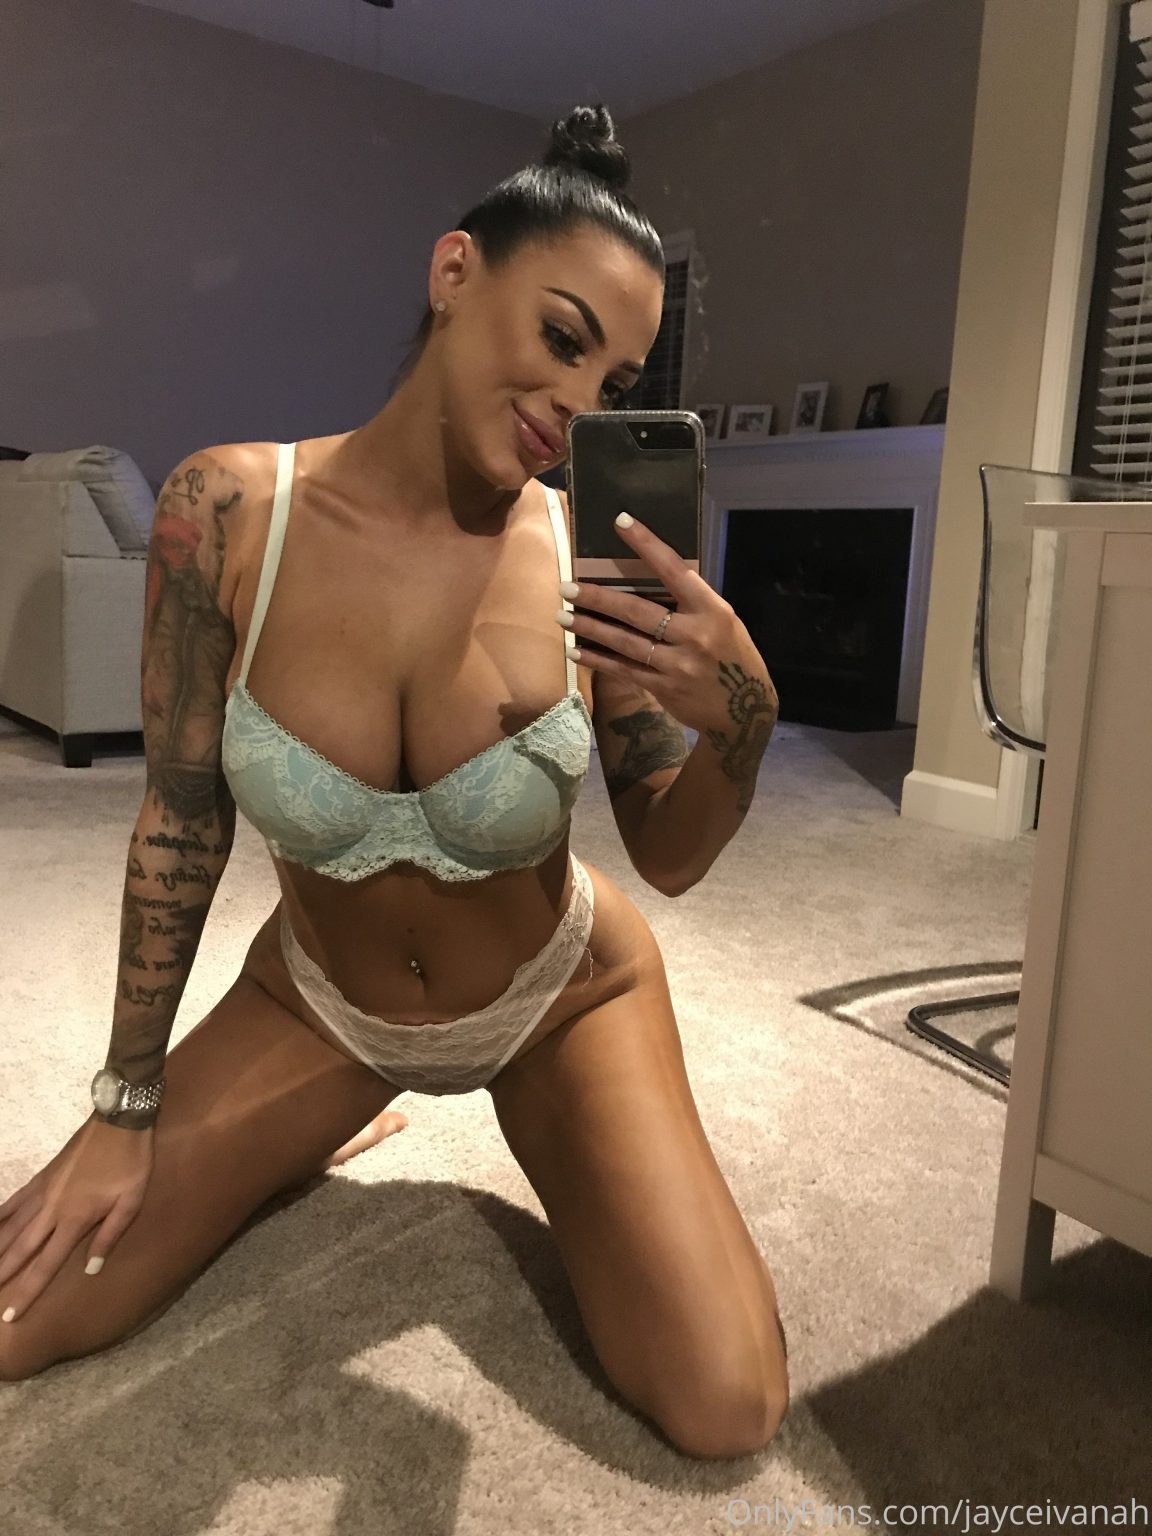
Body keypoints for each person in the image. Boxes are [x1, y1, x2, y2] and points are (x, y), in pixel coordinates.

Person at [0, 104, 787, 1458]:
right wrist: (125, 1105)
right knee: (17, 1319)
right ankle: (310, 1125)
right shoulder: (225, 514)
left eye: (614, 381)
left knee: (727, 1407)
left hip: (557, 998)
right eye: (562, 338)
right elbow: (178, 823)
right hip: (320, 1001)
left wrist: (744, 723)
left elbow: (667, 853)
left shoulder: (590, 558)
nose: (578, 405)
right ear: (454, 272)